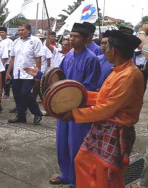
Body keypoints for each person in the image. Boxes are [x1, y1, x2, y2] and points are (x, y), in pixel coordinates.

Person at [59, 29, 144, 188]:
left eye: (107, 46)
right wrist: (80, 96)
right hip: (103, 127)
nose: (103, 49)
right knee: (82, 161)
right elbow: (102, 98)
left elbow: (107, 108)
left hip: (116, 130)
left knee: (108, 174)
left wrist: (75, 114)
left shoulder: (130, 75)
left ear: (115, 51)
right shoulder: (118, 71)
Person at [48, 23, 101, 187]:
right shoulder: (69, 55)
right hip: (63, 107)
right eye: (70, 35)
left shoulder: (91, 59)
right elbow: (61, 77)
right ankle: (66, 174)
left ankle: (78, 180)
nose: (71, 39)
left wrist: (73, 101)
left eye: (75, 36)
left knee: (76, 145)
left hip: (79, 109)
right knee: (62, 142)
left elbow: (89, 87)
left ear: (86, 39)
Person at [5, 24, 44, 124]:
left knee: (25, 93)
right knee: (17, 95)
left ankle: (37, 113)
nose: (20, 32)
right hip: (17, 73)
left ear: (28, 30)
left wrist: (37, 73)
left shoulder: (35, 41)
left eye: (22, 30)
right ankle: (21, 116)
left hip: (29, 73)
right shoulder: (16, 42)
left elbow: (38, 58)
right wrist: (8, 72)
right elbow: (12, 58)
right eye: (19, 30)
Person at [0, 26, 13, 98]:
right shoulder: (1, 41)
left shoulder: (8, 41)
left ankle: (6, 93)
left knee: (6, 79)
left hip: (7, 63)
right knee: (1, 79)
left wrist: (1, 65)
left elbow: (6, 55)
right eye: (0, 32)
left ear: (6, 33)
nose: (1, 34)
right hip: (1, 62)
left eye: (3, 32)